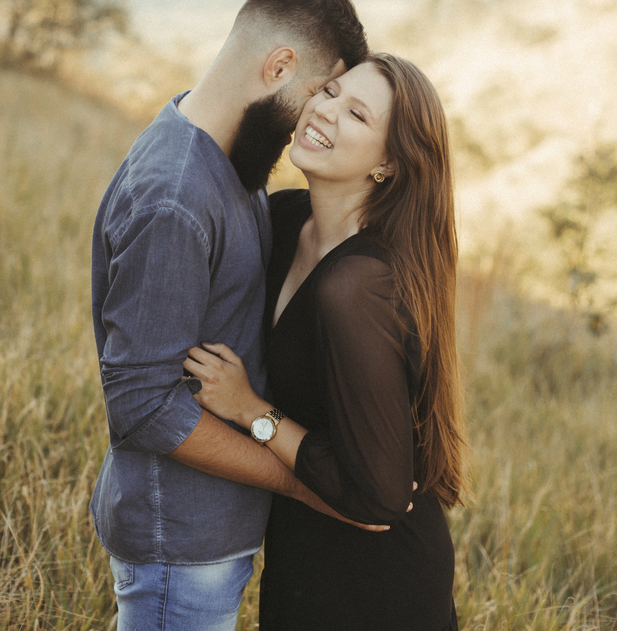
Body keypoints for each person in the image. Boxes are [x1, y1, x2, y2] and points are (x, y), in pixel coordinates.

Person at [90, 0, 371, 631]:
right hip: (179, 545)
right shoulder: (176, 198)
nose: (315, 117)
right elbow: (142, 403)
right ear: (277, 66)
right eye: (318, 91)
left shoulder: (229, 159)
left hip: (206, 537)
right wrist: (307, 483)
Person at [185, 53, 466, 630]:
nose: (325, 111)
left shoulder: (359, 286)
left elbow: (381, 497)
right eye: (331, 91)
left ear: (388, 164)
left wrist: (252, 412)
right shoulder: (286, 221)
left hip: (377, 579)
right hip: (301, 548)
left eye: (357, 114)